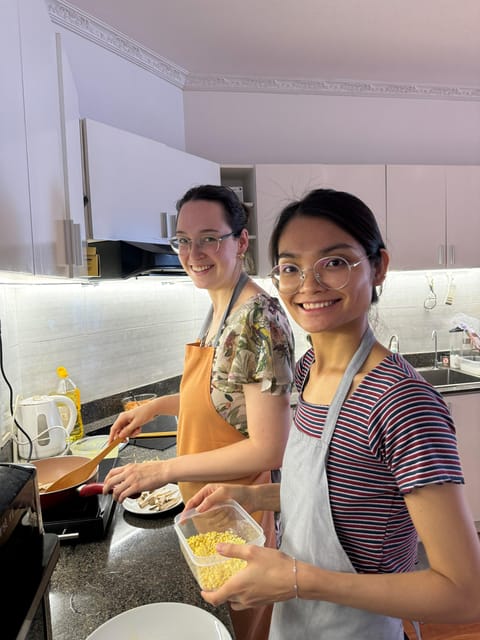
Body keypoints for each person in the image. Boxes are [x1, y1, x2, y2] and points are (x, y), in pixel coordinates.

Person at [184, 188, 480, 639]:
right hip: (300, 623)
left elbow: (464, 593)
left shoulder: (401, 403)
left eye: (335, 262)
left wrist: (298, 580)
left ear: (378, 266)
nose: (309, 284)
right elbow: (343, 499)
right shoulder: (308, 372)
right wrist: (249, 498)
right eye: (290, 267)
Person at [103, 184, 295, 640]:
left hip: (237, 513)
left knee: (244, 630)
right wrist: (154, 407)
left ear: (241, 242)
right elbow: (223, 399)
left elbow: (269, 446)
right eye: (184, 240)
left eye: (210, 237)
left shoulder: (257, 319)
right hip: (208, 509)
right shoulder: (218, 309)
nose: (194, 252)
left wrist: (165, 469)